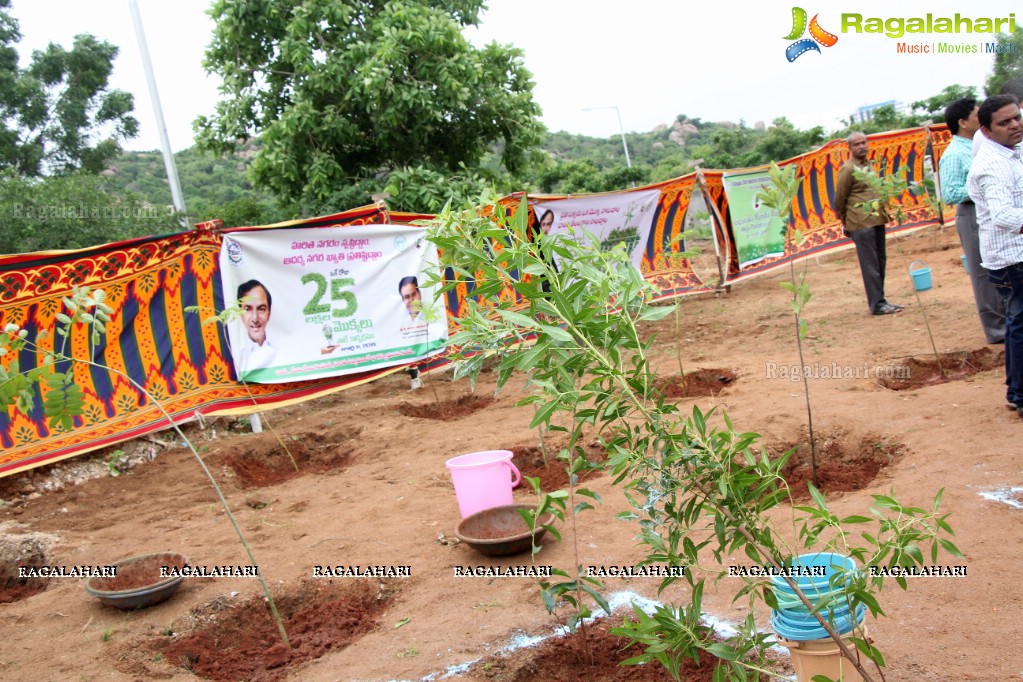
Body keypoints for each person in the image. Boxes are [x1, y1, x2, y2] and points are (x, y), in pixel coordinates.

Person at [966, 94, 1023, 415]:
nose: (1014, 124)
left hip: (1012, 255)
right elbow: (1004, 215)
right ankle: (1019, 394)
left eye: (1016, 117)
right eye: (1005, 122)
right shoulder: (992, 165)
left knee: (1018, 323)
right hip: (1012, 259)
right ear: (986, 131)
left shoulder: (1011, 152)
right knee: (1019, 324)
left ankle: (1017, 392)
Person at [940, 97, 1006, 344]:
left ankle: (1008, 321)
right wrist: (983, 188)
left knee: (1000, 265)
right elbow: (949, 193)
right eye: (978, 115)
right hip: (971, 216)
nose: (983, 118)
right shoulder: (954, 154)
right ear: (962, 122)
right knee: (982, 272)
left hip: (990, 214)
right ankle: (996, 329)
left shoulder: (982, 144)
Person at [833, 131, 903, 315]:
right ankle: (877, 304)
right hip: (860, 222)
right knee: (870, 264)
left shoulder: (870, 165)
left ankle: (881, 300)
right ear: (849, 148)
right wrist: (844, 221)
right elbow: (840, 199)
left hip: (877, 218)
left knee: (880, 261)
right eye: (856, 144)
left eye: (864, 142)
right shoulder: (848, 169)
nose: (862, 146)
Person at [236, 280, 276, 371]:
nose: (255, 318)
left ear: (269, 313)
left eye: (261, 309)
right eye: (248, 309)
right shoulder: (235, 352)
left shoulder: (283, 347)